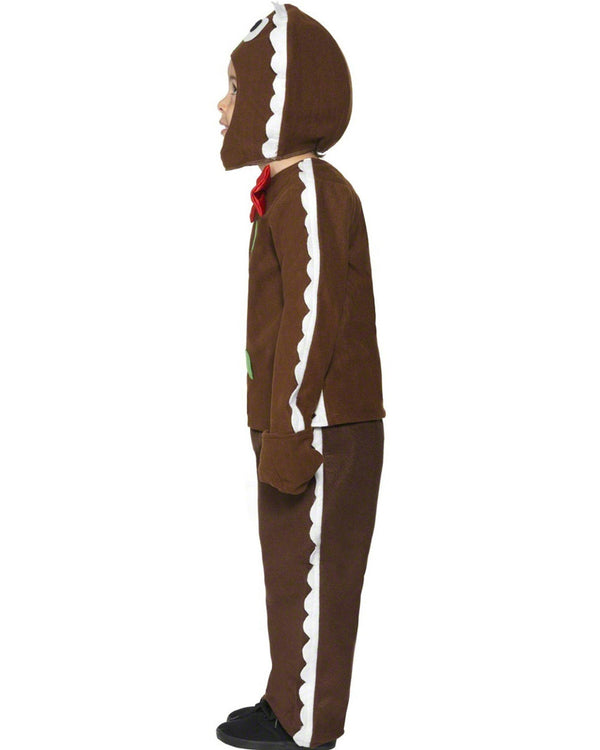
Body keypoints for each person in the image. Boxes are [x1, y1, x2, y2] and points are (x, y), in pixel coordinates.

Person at [215, 3, 386, 748]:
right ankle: (287, 698)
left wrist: (287, 422)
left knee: (316, 576)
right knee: (291, 572)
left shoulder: (310, 189)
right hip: (294, 419)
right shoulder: (286, 192)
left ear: (278, 100)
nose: (222, 105)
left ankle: (306, 724)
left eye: (234, 88)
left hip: (318, 425)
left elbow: (313, 310)